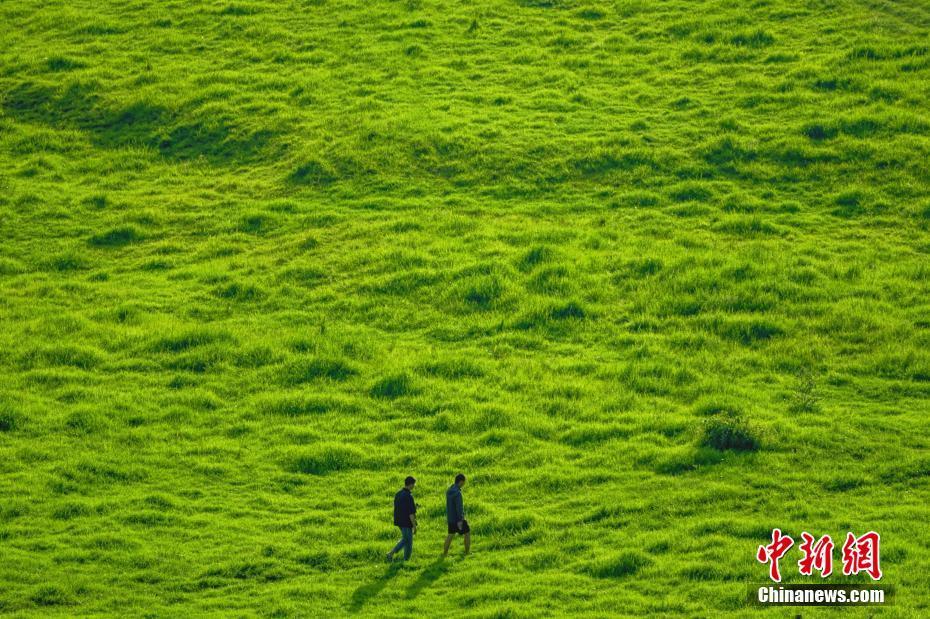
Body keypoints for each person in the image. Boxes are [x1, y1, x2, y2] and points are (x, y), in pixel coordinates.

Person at [387, 476, 417, 562]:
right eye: (414, 484)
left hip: (399, 520)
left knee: (408, 540)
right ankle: (390, 553)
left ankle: (406, 560)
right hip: (406, 522)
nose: (414, 486)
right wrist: (414, 526)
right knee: (406, 539)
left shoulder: (398, 493)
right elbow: (411, 513)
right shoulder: (409, 496)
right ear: (410, 484)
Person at [443, 473, 470, 556]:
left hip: (450, 518)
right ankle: (467, 552)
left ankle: (445, 553)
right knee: (467, 532)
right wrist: (460, 519)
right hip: (458, 519)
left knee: (450, 535)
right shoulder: (458, 493)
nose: (464, 484)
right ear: (461, 482)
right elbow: (459, 508)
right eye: (464, 482)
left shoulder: (449, 490)